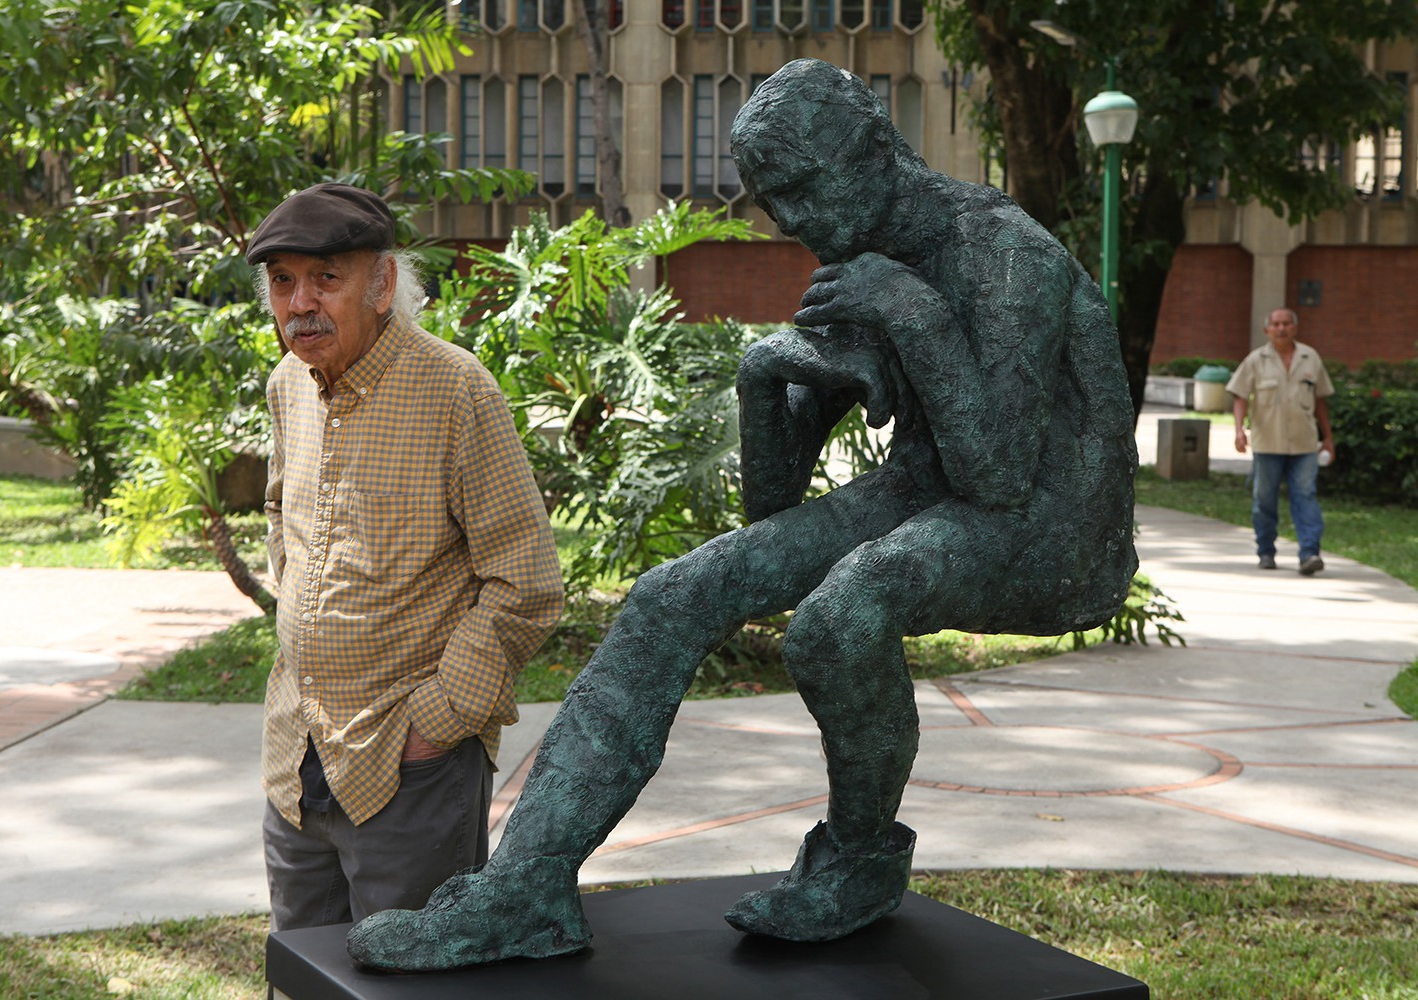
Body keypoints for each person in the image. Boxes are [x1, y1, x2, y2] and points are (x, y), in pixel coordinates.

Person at [346, 59, 1138, 971]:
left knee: (844, 615)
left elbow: (1000, 474)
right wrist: (766, 375)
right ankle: (524, 889)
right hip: (934, 491)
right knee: (671, 594)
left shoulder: (1003, 252)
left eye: (800, 190)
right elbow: (771, 514)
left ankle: (860, 858)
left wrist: (910, 316)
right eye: (771, 201)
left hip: (1056, 526)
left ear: (877, 153)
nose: (789, 221)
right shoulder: (863, 267)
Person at [248, 183, 564, 931]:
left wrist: (438, 720)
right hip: (296, 755)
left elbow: (526, 582)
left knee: (410, 980)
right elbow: (278, 515)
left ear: (383, 283)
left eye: (327, 277)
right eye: (283, 280)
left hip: (409, 768)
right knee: (302, 970)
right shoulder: (287, 383)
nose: (300, 303)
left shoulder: (457, 391)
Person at [1226, 308, 1336, 576]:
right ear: (1267, 330)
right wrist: (1239, 430)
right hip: (1267, 443)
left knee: (1305, 496)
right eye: (1276, 324)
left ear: (1295, 327)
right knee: (1264, 501)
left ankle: (1310, 553)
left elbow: (1320, 400)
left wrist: (1328, 438)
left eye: (1286, 323)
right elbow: (1240, 396)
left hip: (1305, 443)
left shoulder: (1310, 358)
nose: (1281, 328)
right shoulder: (1255, 360)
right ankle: (1266, 551)